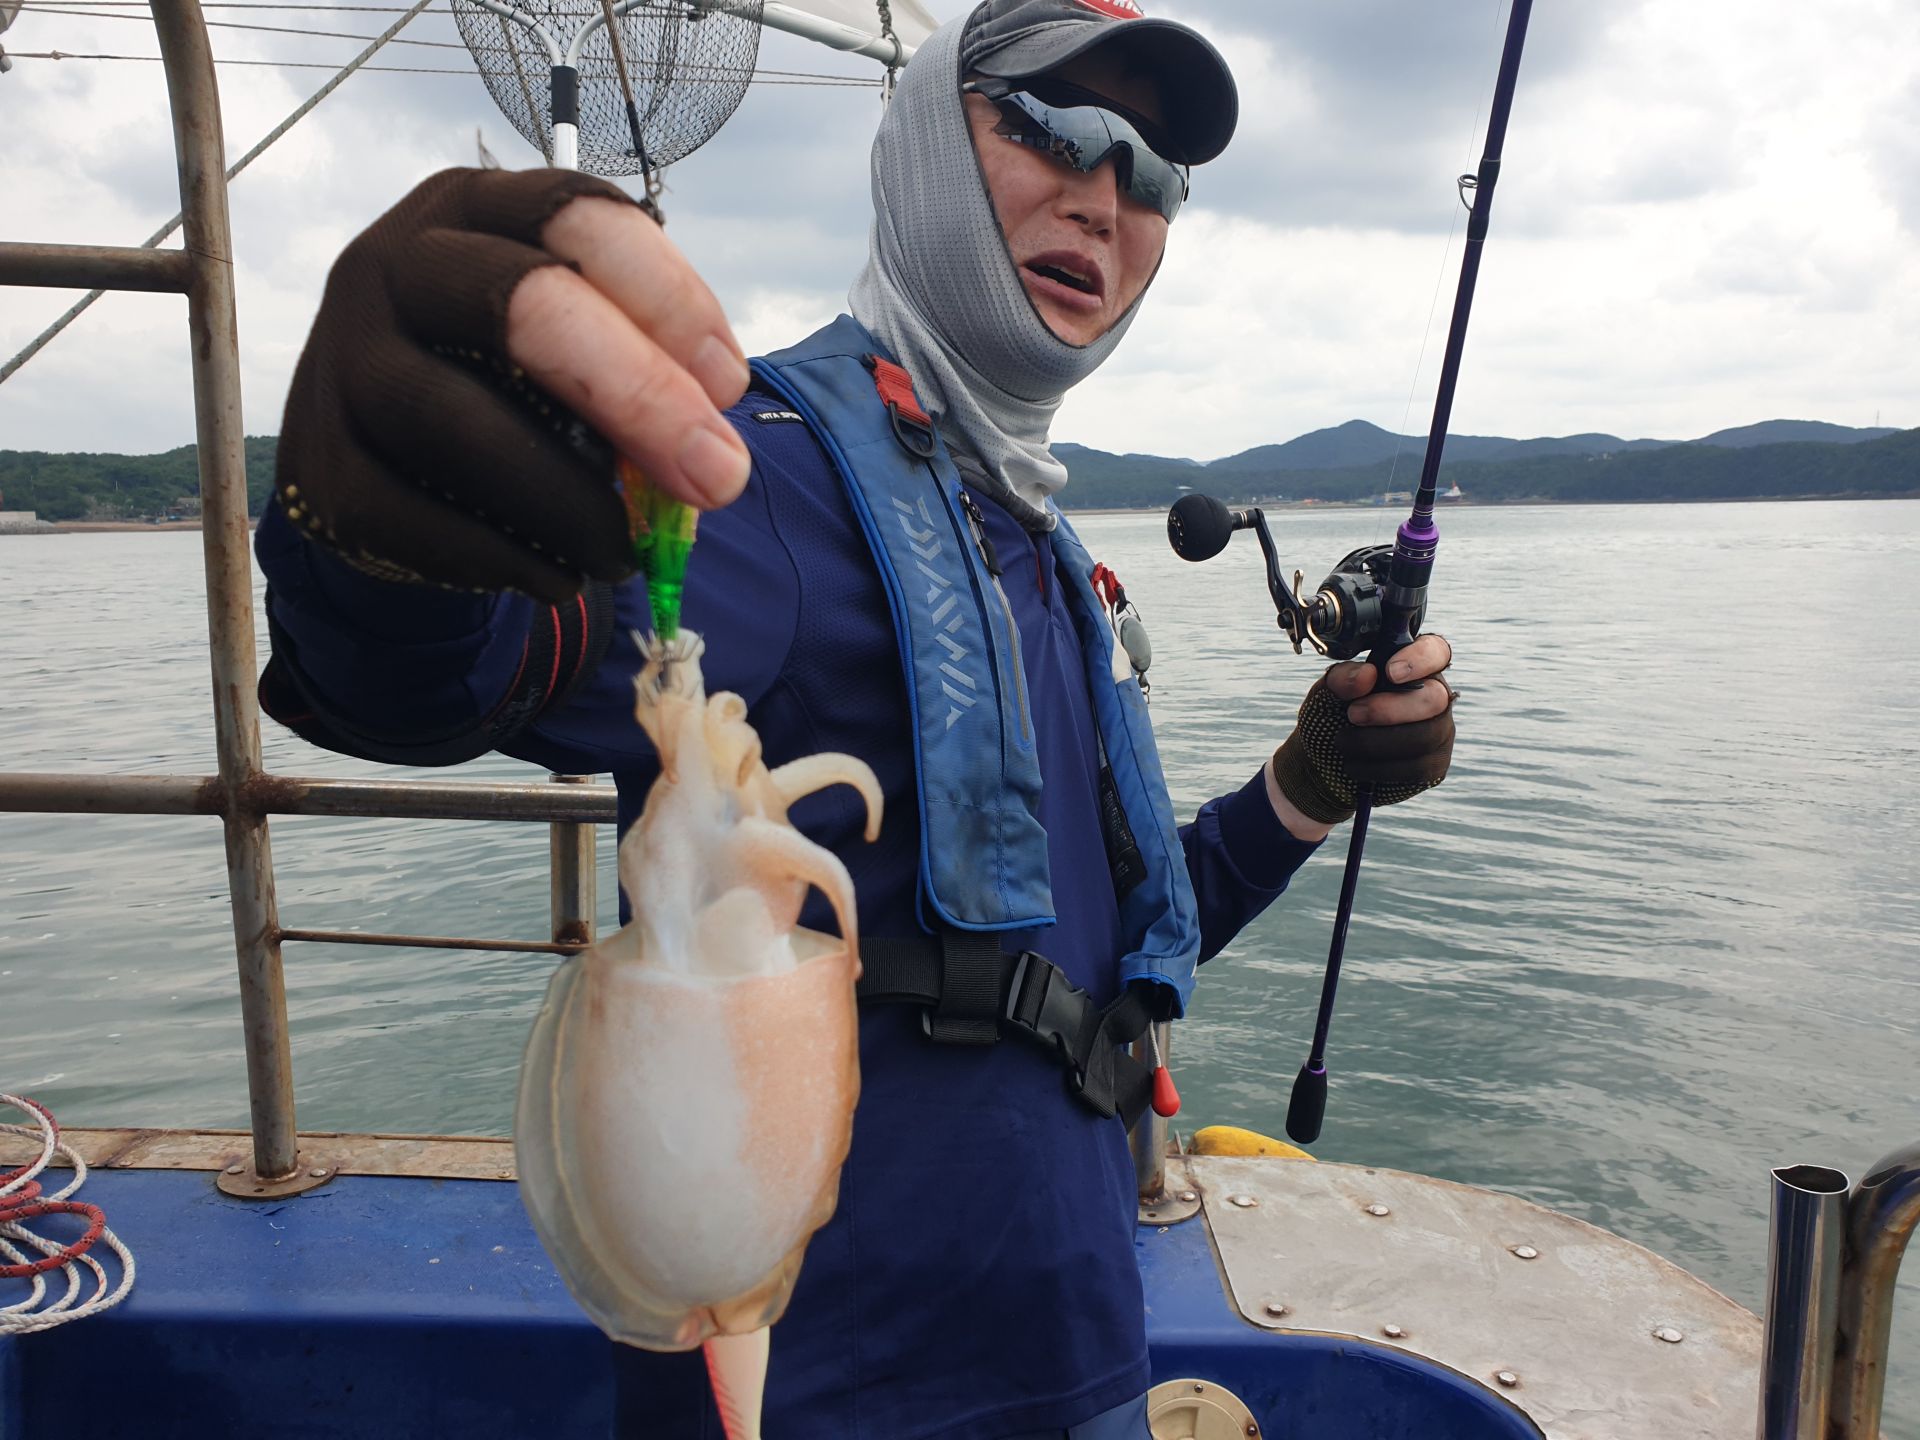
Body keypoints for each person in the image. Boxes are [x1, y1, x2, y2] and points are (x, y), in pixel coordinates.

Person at [254, 1, 1456, 1435]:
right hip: (818, 1390)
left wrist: (1311, 782)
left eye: (1152, 172)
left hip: (1078, 1354)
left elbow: (1094, 961)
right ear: (925, 143)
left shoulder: (1039, 541)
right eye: (1050, 125)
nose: (1104, 194)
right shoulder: (750, 479)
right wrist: (374, 521)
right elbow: (442, 669)